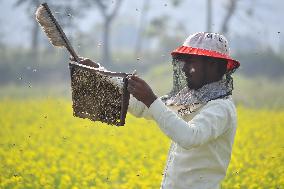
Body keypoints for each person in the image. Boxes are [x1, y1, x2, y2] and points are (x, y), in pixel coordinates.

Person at [77, 32, 240, 189]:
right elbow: (142, 107)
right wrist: (100, 73)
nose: (184, 69)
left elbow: (190, 137)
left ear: (212, 64)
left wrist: (150, 98)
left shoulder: (221, 107)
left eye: (191, 62)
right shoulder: (190, 98)